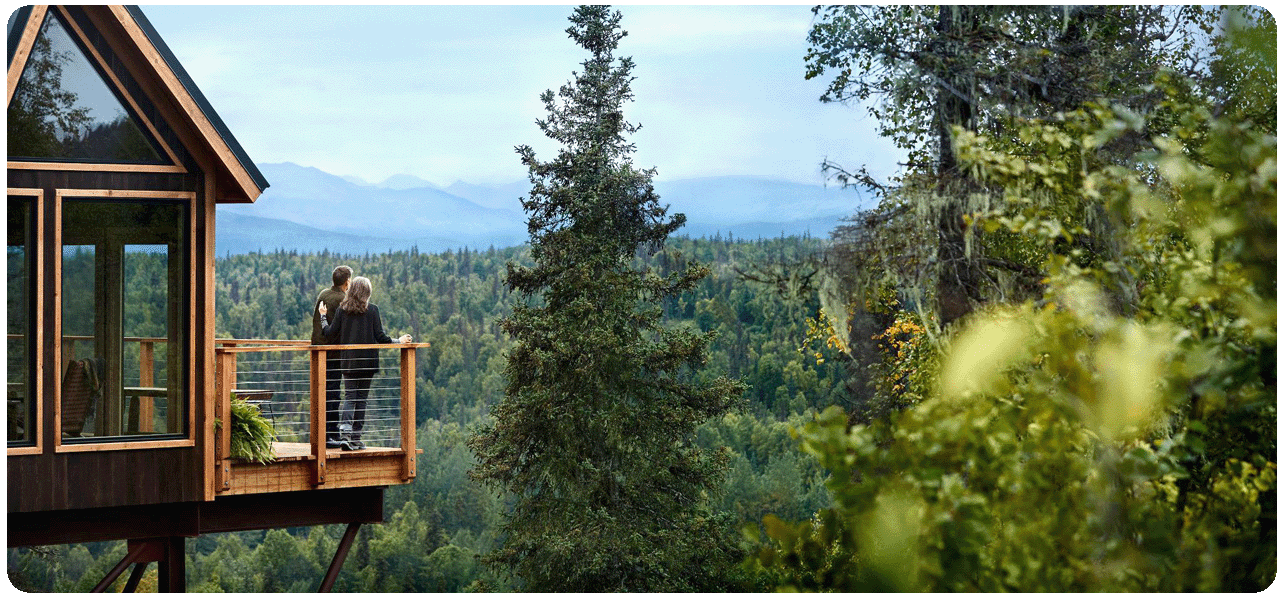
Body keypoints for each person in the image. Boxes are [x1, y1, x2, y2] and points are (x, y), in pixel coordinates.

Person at [318, 276, 411, 450]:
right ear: (366, 292)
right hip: (367, 362)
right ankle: (355, 438)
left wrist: (323, 317)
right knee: (362, 400)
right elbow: (381, 338)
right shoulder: (373, 310)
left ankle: (345, 435)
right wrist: (399, 341)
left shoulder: (341, 311)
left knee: (350, 397)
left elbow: (329, 334)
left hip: (348, 362)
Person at [312, 265, 351, 448]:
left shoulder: (323, 294)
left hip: (318, 350)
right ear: (347, 281)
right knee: (333, 393)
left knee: (323, 392)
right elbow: (340, 328)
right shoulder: (343, 300)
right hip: (333, 353)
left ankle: (326, 433)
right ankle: (331, 434)